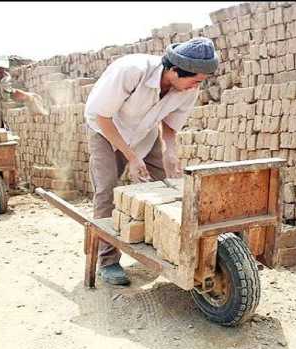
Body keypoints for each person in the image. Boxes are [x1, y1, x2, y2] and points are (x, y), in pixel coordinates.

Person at [84, 37, 219, 285]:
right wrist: (131, 157)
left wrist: (170, 151)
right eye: (194, 80)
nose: (196, 87)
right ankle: (108, 261)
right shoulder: (131, 71)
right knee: (106, 191)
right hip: (107, 131)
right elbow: (101, 116)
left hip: (145, 133)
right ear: (174, 70)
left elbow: (171, 124)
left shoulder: (189, 86)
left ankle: (162, 248)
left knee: (164, 188)